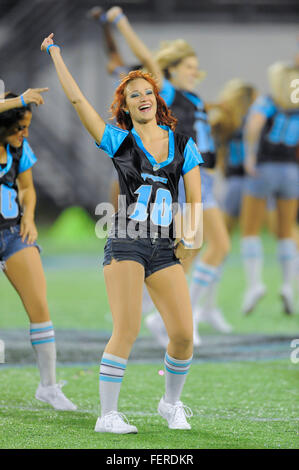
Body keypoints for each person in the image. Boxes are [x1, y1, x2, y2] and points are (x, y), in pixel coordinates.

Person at [41, 33, 203, 433]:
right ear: (125, 107)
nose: (142, 97)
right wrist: (56, 54)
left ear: (156, 99)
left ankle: (170, 404)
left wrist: (191, 240)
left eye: (147, 92)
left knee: (183, 335)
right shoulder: (118, 140)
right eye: (133, 95)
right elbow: (79, 102)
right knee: (127, 328)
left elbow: (194, 202)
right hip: (127, 240)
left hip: (164, 247)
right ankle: (107, 415)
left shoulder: (183, 144)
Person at [104, 7, 232, 343]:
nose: (195, 71)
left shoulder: (193, 97)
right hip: (184, 179)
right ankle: (175, 315)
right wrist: (121, 22)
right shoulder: (169, 92)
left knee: (211, 246)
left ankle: (183, 312)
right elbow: (146, 57)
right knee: (190, 248)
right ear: (171, 70)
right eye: (188, 67)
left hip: (202, 176)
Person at [0, 90, 77, 411]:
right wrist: (20, 100)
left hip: (13, 233)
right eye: (20, 128)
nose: (25, 134)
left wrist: (29, 217)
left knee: (40, 309)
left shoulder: (19, 150)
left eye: (28, 127)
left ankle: (48, 386)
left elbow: (28, 189)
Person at [241, 61, 299, 314]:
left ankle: (255, 284)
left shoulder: (268, 101)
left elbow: (253, 126)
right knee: (286, 232)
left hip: (265, 168)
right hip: (290, 170)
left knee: (250, 230)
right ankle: (287, 286)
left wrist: (250, 155)